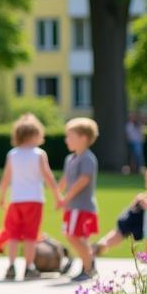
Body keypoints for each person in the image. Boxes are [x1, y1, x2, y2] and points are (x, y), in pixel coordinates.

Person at [0, 113, 61, 280]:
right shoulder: (39, 154)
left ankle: (11, 266)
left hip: (16, 200)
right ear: (34, 134)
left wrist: (2, 196)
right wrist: (57, 196)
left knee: (12, 234)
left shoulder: (12, 154)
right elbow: (48, 177)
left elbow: (5, 178)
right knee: (30, 236)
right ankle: (29, 266)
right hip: (34, 200)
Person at [58, 117, 100, 283]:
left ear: (83, 138)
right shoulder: (70, 159)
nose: (66, 140)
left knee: (74, 236)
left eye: (70, 136)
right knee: (74, 236)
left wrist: (65, 197)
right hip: (72, 207)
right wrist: (58, 193)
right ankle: (88, 264)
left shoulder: (87, 158)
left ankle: (89, 267)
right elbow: (66, 179)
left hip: (82, 207)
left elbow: (83, 180)